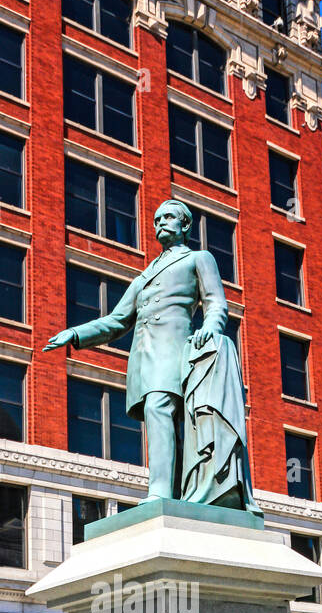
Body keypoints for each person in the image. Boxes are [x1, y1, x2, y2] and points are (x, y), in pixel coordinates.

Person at [44, 198, 259, 513]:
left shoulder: (199, 259)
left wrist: (211, 328)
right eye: (157, 218)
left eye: (169, 217)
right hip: (146, 360)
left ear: (185, 225)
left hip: (180, 353)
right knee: (164, 418)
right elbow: (116, 322)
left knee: (164, 409)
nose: (160, 222)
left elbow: (216, 303)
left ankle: (163, 490)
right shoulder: (143, 277)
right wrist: (75, 333)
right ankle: (170, 491)